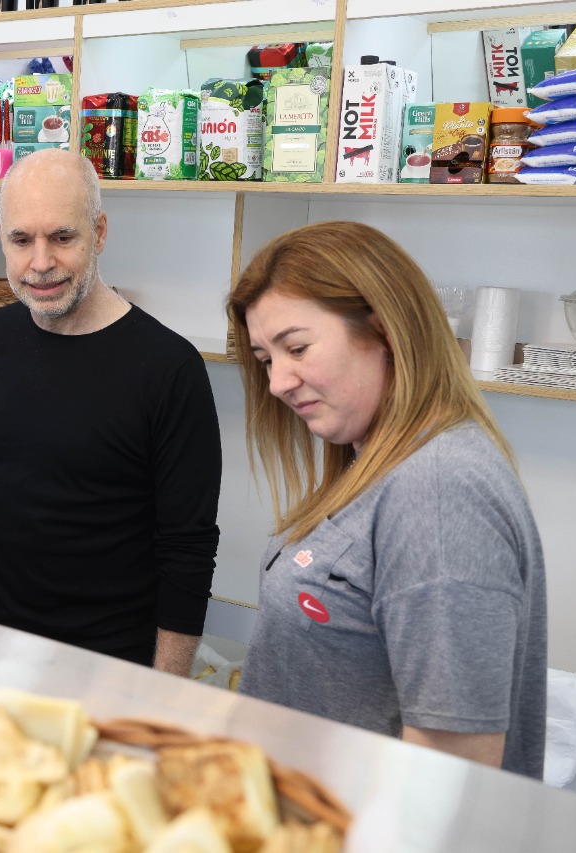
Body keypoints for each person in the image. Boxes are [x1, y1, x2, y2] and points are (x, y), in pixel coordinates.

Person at [227, 220, 547, 777]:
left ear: (384, 331)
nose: (278, 382)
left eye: (297, 348)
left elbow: (450, 766)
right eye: (266, 359)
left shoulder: (439, 492)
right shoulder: (376, 463)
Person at [0, 149, 222, 675]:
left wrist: (163, 695)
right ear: (2, 239)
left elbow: (187, 549)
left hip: (101, 668)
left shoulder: (170, 369)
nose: (40, 263)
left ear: (98, 233)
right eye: (21, 240)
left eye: (62, 237)